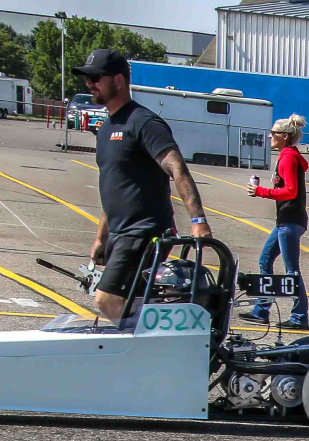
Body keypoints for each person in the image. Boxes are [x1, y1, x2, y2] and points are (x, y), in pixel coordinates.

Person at [72, 48, 210, 323]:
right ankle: (157, 335)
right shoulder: (106, 128)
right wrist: (101, 237)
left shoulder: (144, 123)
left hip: (144, 230)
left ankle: (157, 342)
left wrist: (198, 220)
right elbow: (113, 188)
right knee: (128, 300)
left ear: (119, 80)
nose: (89, 84)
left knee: (107, 299)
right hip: (120, 232)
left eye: (96, 78)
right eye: (87, 78)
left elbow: (177, 169)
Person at [245, 113, 309, 329]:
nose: (270, 135)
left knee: (292, 271)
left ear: (285, 136)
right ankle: (261, 310)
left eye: (274, 132)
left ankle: (299, 317)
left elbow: (290, 190)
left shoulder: (289, 157)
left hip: (290, 220)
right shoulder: (287, 156)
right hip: (286, 220)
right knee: (265, 260)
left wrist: (261, 191)